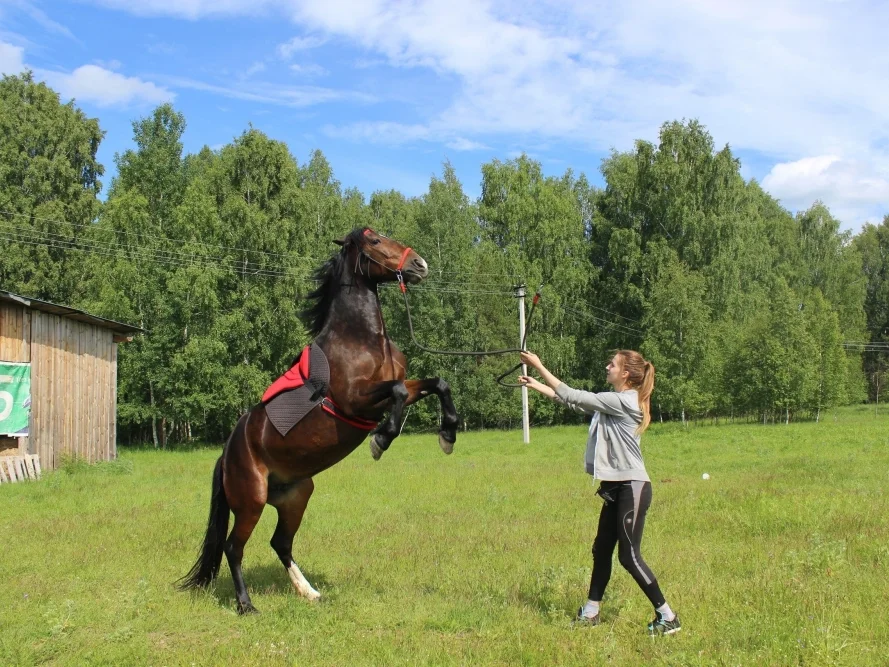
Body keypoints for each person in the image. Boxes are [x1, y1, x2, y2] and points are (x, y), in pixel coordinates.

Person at [518, 349, 681, 636]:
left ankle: (668, 616)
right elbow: (570, 401)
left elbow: (575, 395)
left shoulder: (624, 400)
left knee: (628, 556)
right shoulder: (612, 403)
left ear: (625, 373)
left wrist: (539, 365)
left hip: (633, 487)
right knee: (602, 549)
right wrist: (536, 384)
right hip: (616, 488)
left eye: (612, 364)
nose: (607, 367)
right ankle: (591, 611)